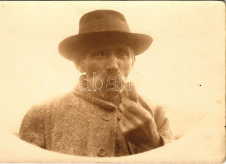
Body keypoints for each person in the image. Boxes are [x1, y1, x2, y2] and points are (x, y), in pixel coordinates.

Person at [19, 9, 173, 157]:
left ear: (132, 61)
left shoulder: (156, 113)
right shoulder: (42, 114)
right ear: (79, 63)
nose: (113, 64)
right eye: (100, 54)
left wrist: (153, 142)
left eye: (121, 53)